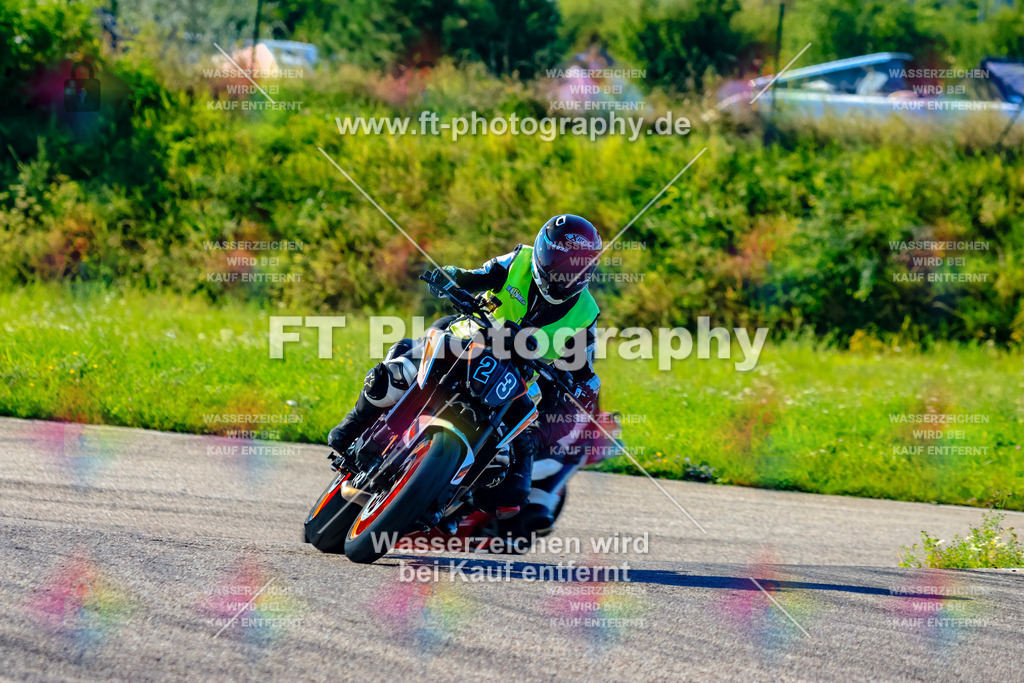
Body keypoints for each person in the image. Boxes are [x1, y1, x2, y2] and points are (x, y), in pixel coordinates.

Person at [328, 214, 603, 533]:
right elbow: (476, 276)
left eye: (577, 268)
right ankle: (353, 425)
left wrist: (582, 390)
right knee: (392, 375)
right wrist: (450, 278)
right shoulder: (520, 260)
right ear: (543, 253)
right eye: (560, 263)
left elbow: (583, 369)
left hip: (511, 382)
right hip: (465, 341)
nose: (565, 275)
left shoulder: (585, 314)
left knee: (510, 482)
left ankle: (454, 507)